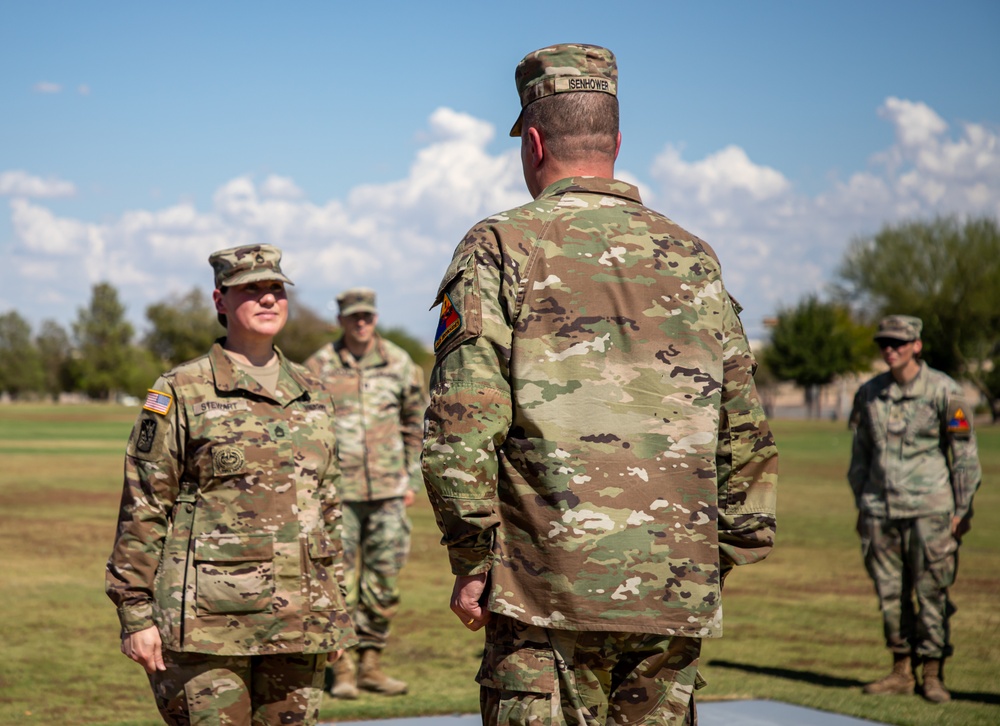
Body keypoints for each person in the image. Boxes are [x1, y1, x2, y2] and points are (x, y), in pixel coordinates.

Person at [421, 43, 778, 725]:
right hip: (671, 596)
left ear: (532, 142)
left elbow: (464, 421)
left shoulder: (501, 246)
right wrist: (712, 558)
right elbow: (745, 432)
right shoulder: (694, 256)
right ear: (615, 141)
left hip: (544, 595)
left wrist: (472, 557)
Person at [105, 244, 356, 725]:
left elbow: (328, 510)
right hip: (205, 628)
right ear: (220, 301)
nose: (267, 299)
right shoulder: (180, 390)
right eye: (251, 289)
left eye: (275, 289)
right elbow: (144, 507)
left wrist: (336, 612)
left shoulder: (312, 392)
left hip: (301, 622)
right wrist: (135, 615)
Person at [848, 315, 981, 703]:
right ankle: (901, 671)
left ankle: (934, 674)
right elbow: (861, 455)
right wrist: (863, 502)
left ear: (916, 345)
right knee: (890, 595)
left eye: (899, 343)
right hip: (880, 510)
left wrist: (962, 509)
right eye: (884, 343)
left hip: (931, 509)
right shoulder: (869, 392)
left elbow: (964, 456)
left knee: (932, 592)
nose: (890, 349)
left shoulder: (944, 390)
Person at [305, 288, 427, 698]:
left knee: (384, 581)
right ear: (341, 320)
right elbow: (305, 432)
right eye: (354, 317)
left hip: (389, 491)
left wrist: (410, 479)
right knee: (338, 583)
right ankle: (341, 671)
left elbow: (416, 423)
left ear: (375, 318)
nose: (361, 323)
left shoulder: (399, 362)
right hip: (338, 495)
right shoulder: (319, 366)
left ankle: (372, 663)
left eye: (367, 316)